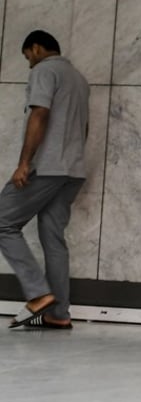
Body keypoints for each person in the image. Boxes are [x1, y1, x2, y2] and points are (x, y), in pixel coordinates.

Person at [2, 30, 89, 330]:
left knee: (2, 221)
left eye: (28, 57)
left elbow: (39, 113)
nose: (29, 64)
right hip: (73, 171)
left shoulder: (44, 71)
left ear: (36, 48)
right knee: (53, 238)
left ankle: (38, 294)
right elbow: (84, 128)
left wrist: (24, 163)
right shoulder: (78, 78)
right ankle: (59, 313)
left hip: (48, 167)